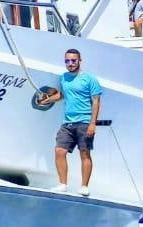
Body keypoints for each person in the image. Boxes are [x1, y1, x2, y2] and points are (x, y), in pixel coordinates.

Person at [38, 49, 102, 196]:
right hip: (68, 122)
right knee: (59, 151)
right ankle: (62, 184)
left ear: (80, 60)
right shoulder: (64, 77)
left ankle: (84, 186)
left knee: (84, 153)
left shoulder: (89, 78)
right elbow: (63, 95)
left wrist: (93, 123)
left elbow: (96, 101)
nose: (70, 63)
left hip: (84, 121)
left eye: (73, 60)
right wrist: (48, 99)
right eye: (67, 61)